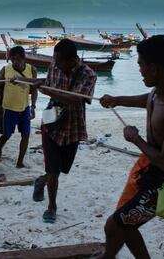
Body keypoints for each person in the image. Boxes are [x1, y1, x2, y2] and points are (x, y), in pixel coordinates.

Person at [99, 35, 164, 259]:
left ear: (153, 68)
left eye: (140, 64)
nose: (139, 69)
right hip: (149, 167)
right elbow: (149, 99)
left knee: (114, 226)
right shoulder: (162, 87)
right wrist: (117, 99)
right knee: (124, 224)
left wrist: (135, 139)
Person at [32, 39, 97, 223]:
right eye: (55, 60)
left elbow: (75, 100)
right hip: (51, 123)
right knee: (53, 169)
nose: (56, 64)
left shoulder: (88, 75)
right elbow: (48, 82)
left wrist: (46, 91)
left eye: (60, 61)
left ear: (72, 60)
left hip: (73, 127)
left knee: (60, 169)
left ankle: (41, 181)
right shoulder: (54, 65)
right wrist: (35, 82)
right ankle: (52, 207)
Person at [0, 46, 37, 168]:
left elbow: (34, 89)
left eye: (17, 59)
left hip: (25, 108)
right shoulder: (5, 70)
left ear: (24, 58)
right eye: (12, 59)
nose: (15, 62)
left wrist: (33, 107)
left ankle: (20, 162)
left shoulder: (32, 69)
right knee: (6, 135)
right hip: (9, 108)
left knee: (26, 135)